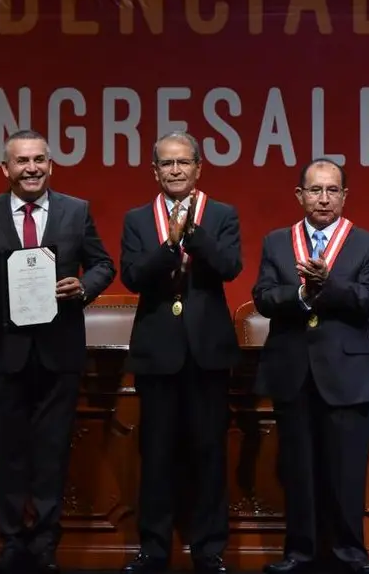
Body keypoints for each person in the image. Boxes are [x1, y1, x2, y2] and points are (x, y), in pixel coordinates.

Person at [0, 129, 116, 574]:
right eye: (22, 161)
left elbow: (103, 263)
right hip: (3, 351)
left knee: (52, 451)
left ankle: (44, 543)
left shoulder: (75, 210)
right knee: (8, 451)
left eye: (39, 160)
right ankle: (11, 542)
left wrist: (84, 286)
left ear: (50, 165)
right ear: (6, 169)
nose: (31, 168)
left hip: (58, 351)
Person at [252, 158, 369, 574]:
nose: (323, 199)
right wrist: (304, 295)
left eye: (331, 191)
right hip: (292, 370)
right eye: (315, 190)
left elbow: (368, 302)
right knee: (298, 470)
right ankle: (300, 553)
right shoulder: (276, 242)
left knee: (346, 472)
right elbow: (264, 298)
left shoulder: (366, 243)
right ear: (299, 196)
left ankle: (350, 554)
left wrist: (328, 286)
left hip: (346, 374)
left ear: (344, 196)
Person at [119, 130, 241, 574]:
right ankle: (153, 549)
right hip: (158, 351)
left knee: (209, 452)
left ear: (198, 168)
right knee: (157, 454)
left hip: (207, 351)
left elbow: (230, 266)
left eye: (183, 163)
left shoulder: (222, 215)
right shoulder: (137, 219)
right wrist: (170, 244)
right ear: (155, 171)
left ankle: (209, 550)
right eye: (166, 164)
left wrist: (194, 235)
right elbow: (132, 276)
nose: (175, 170)